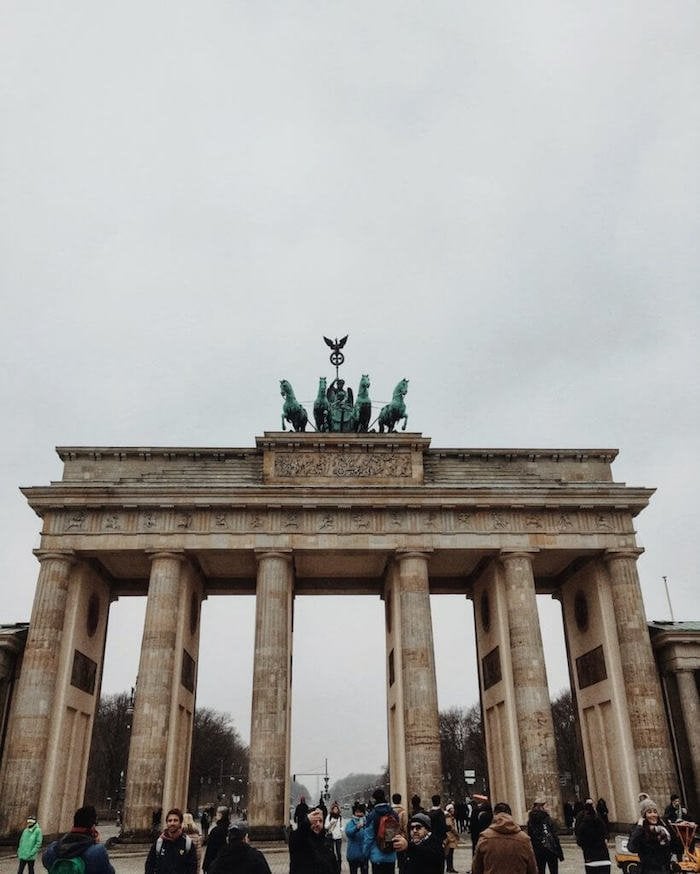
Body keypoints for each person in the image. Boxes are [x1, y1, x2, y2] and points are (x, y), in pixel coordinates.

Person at [42, 805, 115, 874]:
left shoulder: (52, 849)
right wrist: (95, 842)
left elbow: (47, 864)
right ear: (92, 827)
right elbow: (110, 872)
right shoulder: (97, 851)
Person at [471, 802, 538, 874]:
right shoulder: (524, 839)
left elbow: (476, 868)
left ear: (494, 815)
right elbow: (532, 869)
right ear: (511, 815)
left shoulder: (485, 837)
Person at [145, 808, 198, 874]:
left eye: (175, 820)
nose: (172, 823)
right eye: (169, 821)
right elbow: (149, 865)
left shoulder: (187, 843)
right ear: (167, 823)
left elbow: (192, 868)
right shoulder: (159, 842)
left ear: (180, 823)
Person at [628, 799, 672, 874]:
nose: (653, 815)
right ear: (644, 815)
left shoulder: (663, 828)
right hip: (649, 870)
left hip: (665, 870)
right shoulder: (639, 830)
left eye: (655, 812)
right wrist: (639, 827)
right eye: (649, 812)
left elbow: (673, 846)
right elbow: (632, 847)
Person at [289, 806, 336, 874]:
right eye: (314, 821)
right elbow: (296, 838)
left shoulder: (326, 840)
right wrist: (306, 822)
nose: (318, 824)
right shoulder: (300, 840)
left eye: (320, 821)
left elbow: (333, 865)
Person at [364, 788, 398, 874]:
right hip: (391, 856)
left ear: (374, 799)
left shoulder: (372, 815)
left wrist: (365, 856)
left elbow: (369, 838)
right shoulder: (394, 814)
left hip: (377, 856)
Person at [526, 800, 563, 874]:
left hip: (537, 850)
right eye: (545, 806)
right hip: (550, 849)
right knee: (554, 871)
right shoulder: (548, 819)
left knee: (540, 870)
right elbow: (554, 837)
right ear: (541, 807)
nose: (547, 808)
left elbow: (529, 836)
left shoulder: (530, 821)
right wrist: (560, 853)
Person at [575, 800, 610, 874]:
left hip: (590, 858)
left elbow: (579, 839)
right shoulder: (599, 821)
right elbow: (605, 832)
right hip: (604, 857)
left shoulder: (583, 825)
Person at [203, 807, 231, 873]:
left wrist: (205, 866)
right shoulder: (231, 829)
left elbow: (210, 850)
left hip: (215, 865)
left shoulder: (215, 830)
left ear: (220, 815)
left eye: (217, 814)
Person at [345, 802, 369, 874]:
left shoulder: (367, 822)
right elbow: (348, 833)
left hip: (364, 855)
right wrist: (356, 828)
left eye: (361, 812)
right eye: (357, 812)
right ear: (354, 813)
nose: (359, 814)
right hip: (353, 854)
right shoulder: (351, 823)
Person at [325, 801, 343, 873]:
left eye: (337, 809)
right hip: (331, 836)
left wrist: (341, 830)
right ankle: (332, 867)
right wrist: (331, 823)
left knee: (339, 853)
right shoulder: (329, 817)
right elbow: (326, 826)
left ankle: (339, 867)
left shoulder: (340, 817)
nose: (336, 810)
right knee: (332, 852)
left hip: (338, 837)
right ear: (332, 810)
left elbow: (341, 826)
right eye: (334, 809)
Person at [443, 804, 459, 873]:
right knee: (449, 853)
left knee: (449, 853)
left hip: (450, 836)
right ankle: (450, 867)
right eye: (452, 808)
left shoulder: (448, 816)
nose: (454, 810)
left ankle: (449, 867)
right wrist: (456, 834)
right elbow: (451, 827)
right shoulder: (448, 817)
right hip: (450, 837)